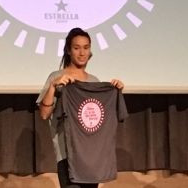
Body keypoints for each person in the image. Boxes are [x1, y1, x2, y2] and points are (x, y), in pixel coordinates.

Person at [37, 27, 125, 188]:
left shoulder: (94, 81)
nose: (82, 53)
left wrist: (115, 91)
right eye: (76, 48)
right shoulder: (56, 77)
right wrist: (52, 87)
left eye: (86, 47)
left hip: (91, 156)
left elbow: (101, 118)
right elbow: (44, 114)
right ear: (69, 51)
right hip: (68, 155)